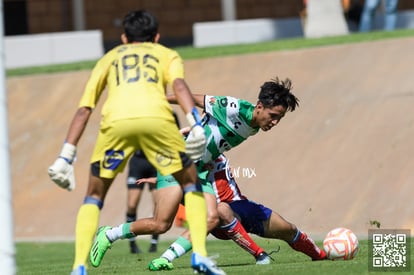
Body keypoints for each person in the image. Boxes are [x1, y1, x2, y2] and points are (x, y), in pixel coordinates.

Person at [47, 9, 213, 275]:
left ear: (123, 38)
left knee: (94, 195)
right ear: (157, 37)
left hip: (116, 123)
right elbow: (180, 87)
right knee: (191, 183)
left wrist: (66, 155)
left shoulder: (109, 58)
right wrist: (194, 124)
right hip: (157, 121)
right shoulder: (167, 54)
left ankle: (78, 267)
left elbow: (84, 110)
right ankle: (200, 257)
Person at [90, 77, 299, 272]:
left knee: (210, 217)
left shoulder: (255, 126)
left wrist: (205, 153)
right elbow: (194, 99)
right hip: (176, 163)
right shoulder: (234, 108)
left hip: (197, 171)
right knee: (161, 224)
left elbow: (212, 134)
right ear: (260, 107)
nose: (274, 123)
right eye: (273, 116)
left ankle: (170, 259)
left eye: (279, 118)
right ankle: (109, 234)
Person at [148, 154, 327, 270]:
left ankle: (321, 256)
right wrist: (160, 180)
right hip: (215, 215)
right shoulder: (191, 153)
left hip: (241, 205)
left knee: (288, 228)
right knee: (222, 209)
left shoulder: (218, 143)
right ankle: (260, 255)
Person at [125, 113, 180, 254]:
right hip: (137, 162)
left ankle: (154, 243)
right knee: (132, 204)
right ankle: (132, 244)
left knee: (158, 203)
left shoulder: (170, 115)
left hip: (156, 162)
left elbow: (177, 134)